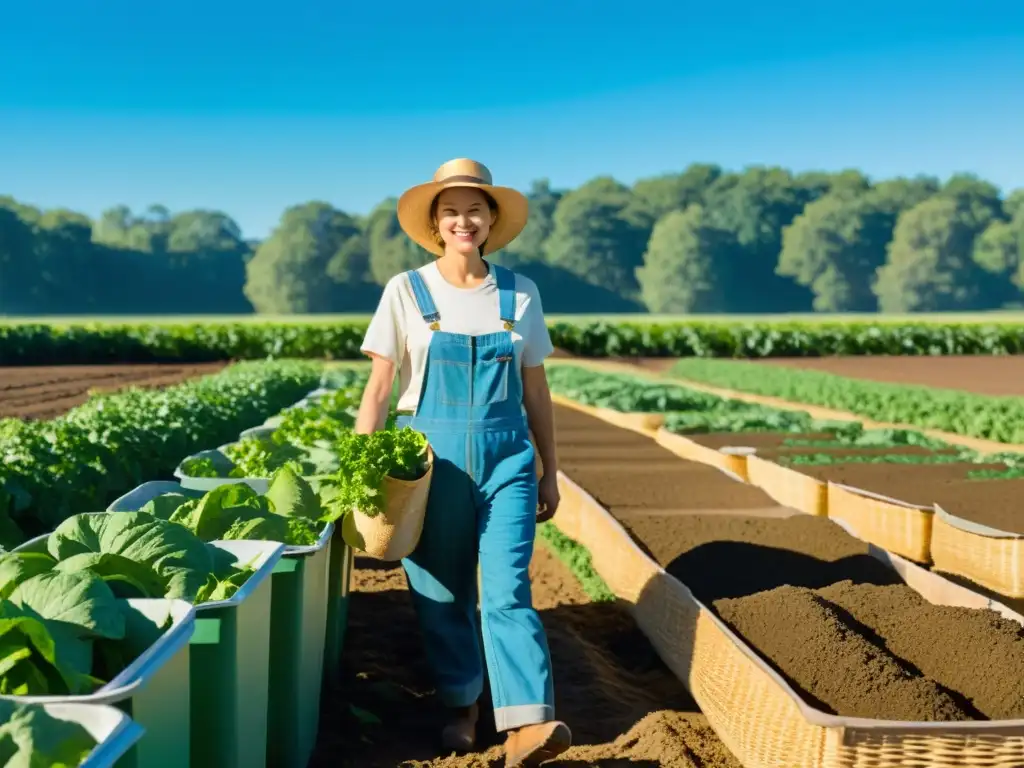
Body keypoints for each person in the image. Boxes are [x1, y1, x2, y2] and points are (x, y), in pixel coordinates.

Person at [355, 158, 571, 767]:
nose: (463, 220)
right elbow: (377, 389)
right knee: (443, 593)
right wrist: (365, 474)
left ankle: (528, 722)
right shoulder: (406, 291)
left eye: (475, 209)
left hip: (507, 459)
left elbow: (536, 392)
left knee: (507, 588)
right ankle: (461, 705)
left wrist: (549, 469)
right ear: (434, 222)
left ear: (492, 219)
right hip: (433, 462)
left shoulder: (519, 293)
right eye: (450, 210)